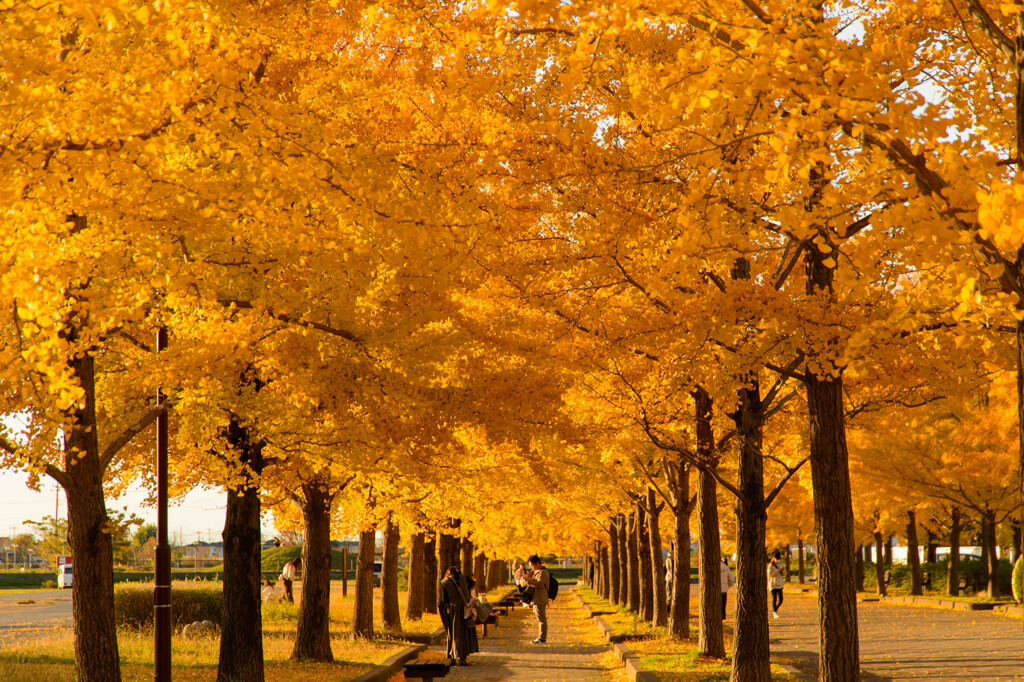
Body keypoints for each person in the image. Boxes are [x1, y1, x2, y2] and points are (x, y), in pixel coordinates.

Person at [437, 565, 479, 666]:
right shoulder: (464, 578)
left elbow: (444, 600)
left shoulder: (445, 582)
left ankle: (452, 657)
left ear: (448, 573)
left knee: (453, 632)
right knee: (464, 633)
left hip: (454, 609)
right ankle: (463, 658)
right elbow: (472, 585)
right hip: (466, 609)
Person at [524, 554, 550, 643]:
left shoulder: (543, 572)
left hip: (540, 598)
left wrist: (529, 581)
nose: (532, 567)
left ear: (538, 563)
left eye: (532, 565)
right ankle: (541, 637)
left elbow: (540, 584)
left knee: (541, 619)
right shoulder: (537, 572)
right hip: (536, 598)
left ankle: (542, 638)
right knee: (540, 618)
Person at [768, 551, 785, 618]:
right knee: (774, 598)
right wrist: (778, 571)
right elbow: (771, 574)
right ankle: (775, 612)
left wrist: (783, 570)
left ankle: (776, 609)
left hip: (780, 584)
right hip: (773, 584)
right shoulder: (770, 565)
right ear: (773, 558)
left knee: (781, 599)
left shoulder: (781, 564)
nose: (778, 560)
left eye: (779, 559)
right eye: (777, 559)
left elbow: (784, 574)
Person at [720, 556, 736, 620]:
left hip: (714, 590)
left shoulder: (711, 567)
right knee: (723, 604)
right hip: (724, 589)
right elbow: (732, 579)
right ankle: (722, 615)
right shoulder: (725, 568)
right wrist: (727, 586)